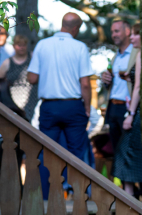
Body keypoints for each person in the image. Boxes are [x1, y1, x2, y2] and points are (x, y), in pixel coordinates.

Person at [27, 13, 94, 199]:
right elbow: (86, 83)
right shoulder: (80, 47)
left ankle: (45, 196)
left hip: (49, 107)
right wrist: (87, 108)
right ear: (76, 28)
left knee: (46, 152)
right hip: (73, 107)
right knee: (76, 154)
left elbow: (32, 78)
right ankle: (78, 194)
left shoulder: (42, 45)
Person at [112, 23, 142, 197]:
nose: (131, 38)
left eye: (135, 35)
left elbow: (139, 87)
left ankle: (129, 195)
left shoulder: (141, 55)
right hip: (136, 107)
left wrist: (131, 115)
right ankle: (131, 194)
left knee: (125, 150)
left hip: (138, 111)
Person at [100, 18, 133, 160]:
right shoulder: (115, 57)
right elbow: (113, 84)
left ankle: (136, 183)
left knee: (130, 152)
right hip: (112, 107)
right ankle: (120, 183)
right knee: (116, 153)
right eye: (112, 32)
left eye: (117, 31)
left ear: (127, 31)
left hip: (127, 109)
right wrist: (105, 80)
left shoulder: (136, 54)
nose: (113, 34)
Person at [0, 34, 39, 122]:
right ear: (14, 46)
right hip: (13, 105)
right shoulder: (7, 63)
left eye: (24, 45)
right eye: (19, 45)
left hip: (32, 103)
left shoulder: (33, 58)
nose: (21, 47)